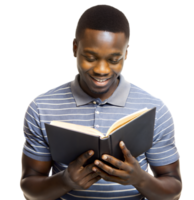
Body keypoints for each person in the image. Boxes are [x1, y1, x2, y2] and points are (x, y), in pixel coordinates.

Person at [19, 4, 182, 200]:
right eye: (90, 57)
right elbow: (29, 185)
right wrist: (65, 181)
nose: (101, 70)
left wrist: (141, 180)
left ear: (127, 54)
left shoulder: (156, 110)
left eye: (114, 60)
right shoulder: (41, 108)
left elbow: (173, 187)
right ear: (74, 48)